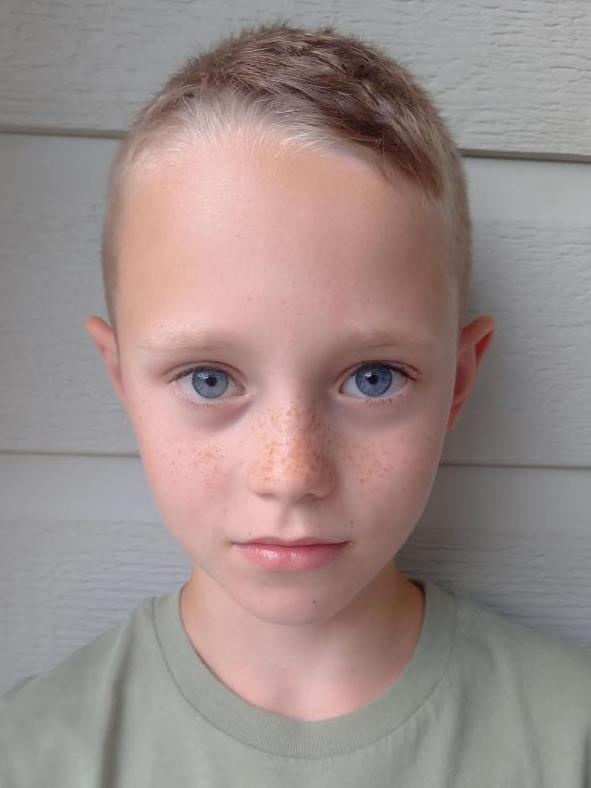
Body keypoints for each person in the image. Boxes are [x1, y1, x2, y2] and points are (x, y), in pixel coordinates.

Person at [1, 19, 589, 787]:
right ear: (121, 380)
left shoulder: (570, 742)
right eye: (208, 379)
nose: (290, 473)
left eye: (372, 378)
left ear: (457, 380)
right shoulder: (30, 756)